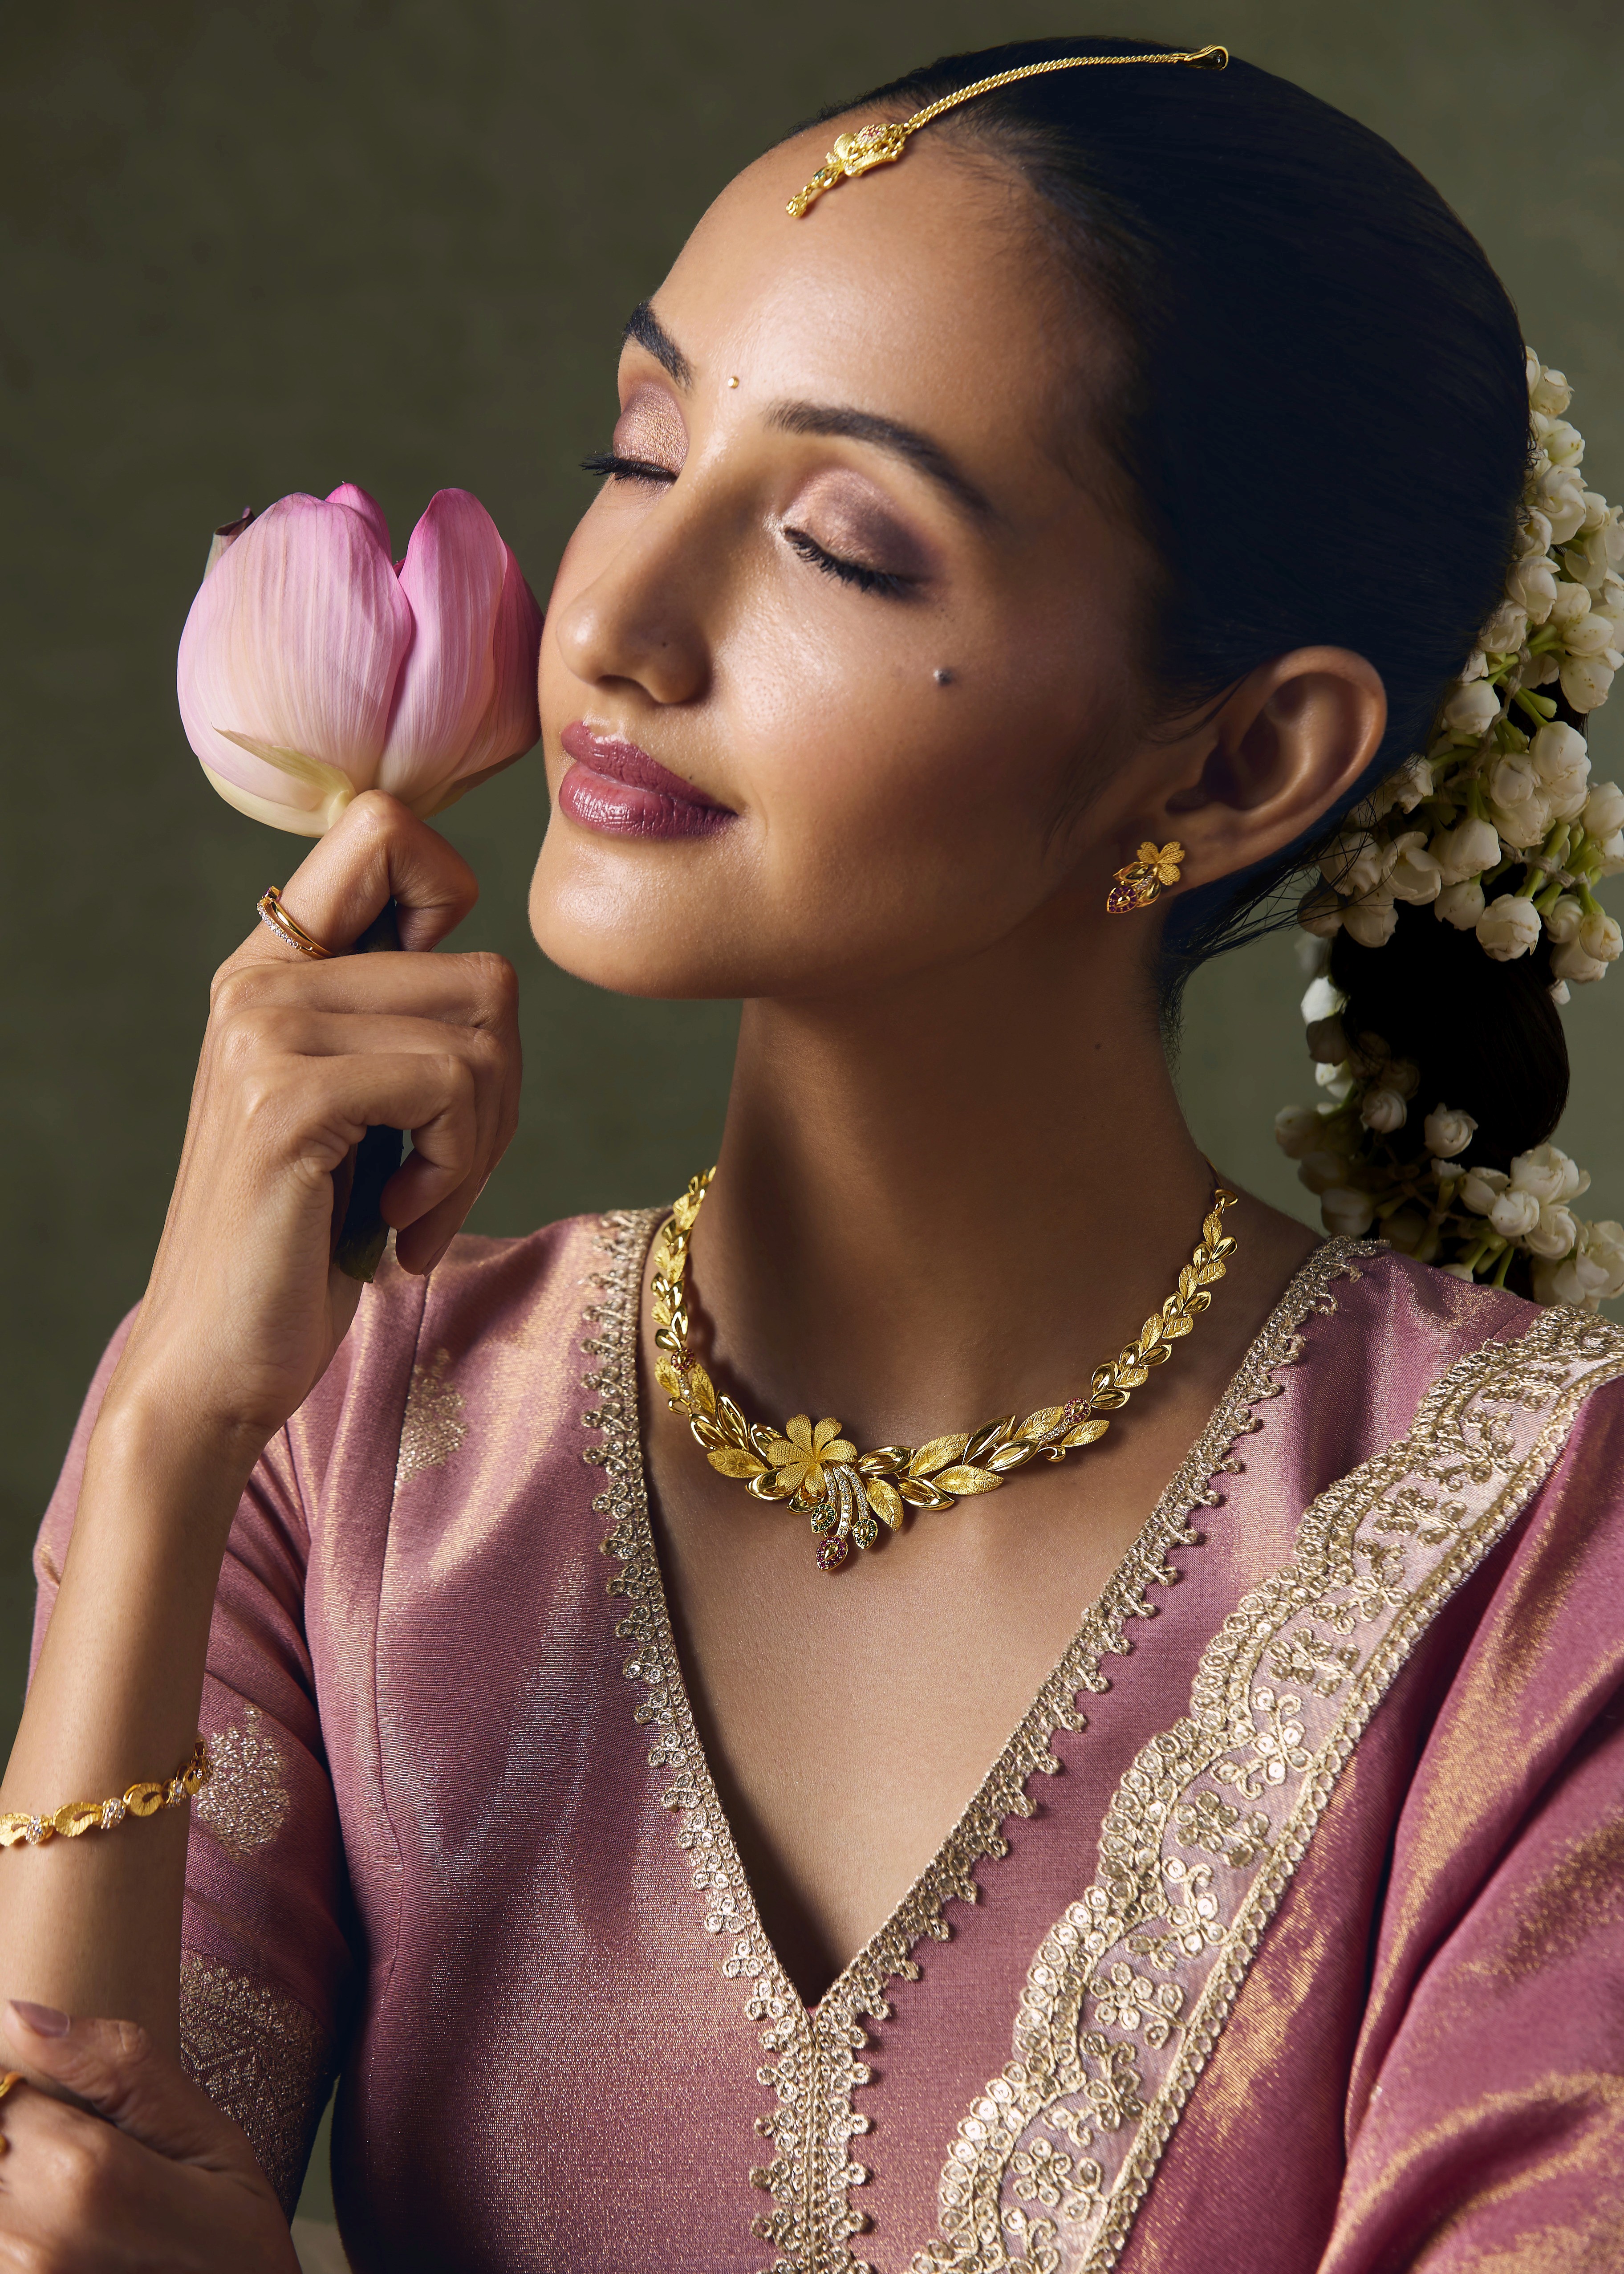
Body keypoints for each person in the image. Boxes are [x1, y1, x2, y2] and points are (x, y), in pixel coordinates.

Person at [4, 33, 1621, 2274]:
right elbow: (54, 2194)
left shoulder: (1549, 1554)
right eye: (634, 448)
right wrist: (180, 1411)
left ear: (1246, 756)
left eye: (846, 545)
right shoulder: (347, 1431)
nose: (615, 625)